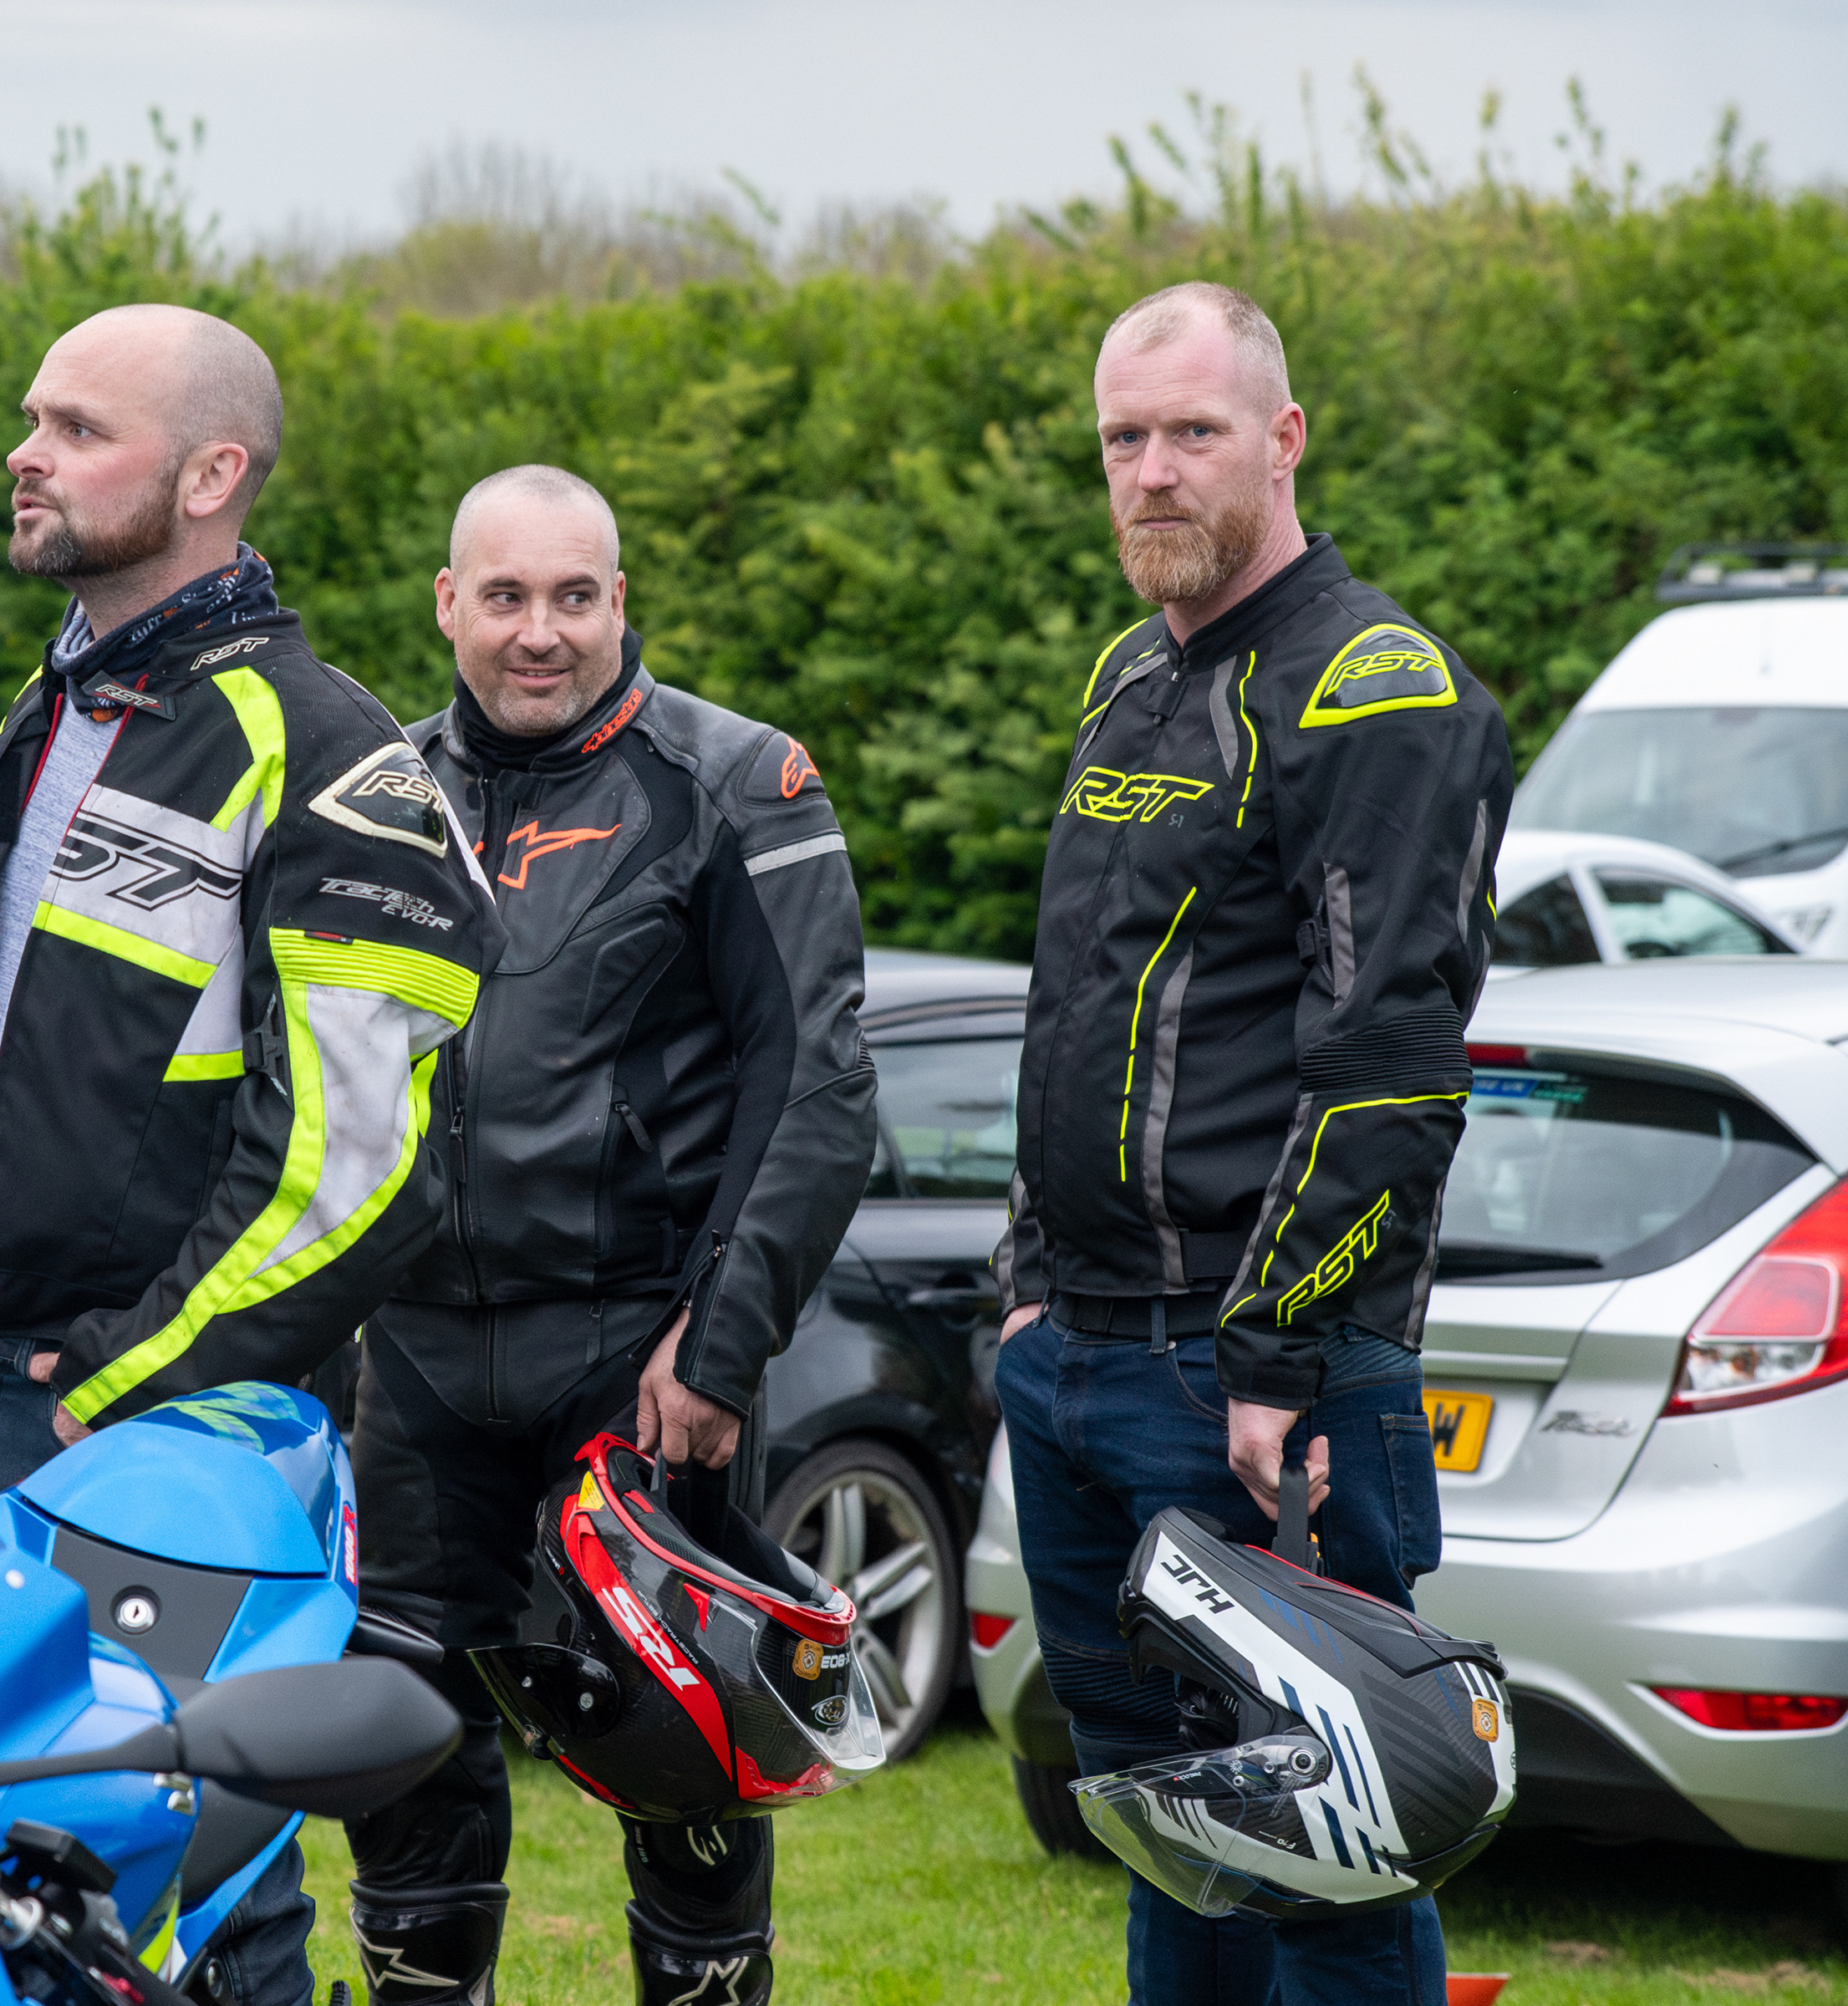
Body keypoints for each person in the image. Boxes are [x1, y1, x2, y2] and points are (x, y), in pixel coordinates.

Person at [0, 303, 498, 2006]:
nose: (26, 454)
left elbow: (361, 1170)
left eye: (78, 428)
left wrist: (123, 1380)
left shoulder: (332, 753)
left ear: (212, 476)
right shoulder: (58, 704)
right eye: (32, 417)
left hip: (150, 1415)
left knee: (192, 1869)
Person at [995, 282, 1512, 2005]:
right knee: (1176, 1834)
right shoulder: (1132, 673)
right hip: (1075, 1364)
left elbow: (1386, 1065)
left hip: (1250, 1381)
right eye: (1123, 438)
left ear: (1283, 439)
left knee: (1329, 1863)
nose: (1152, 472)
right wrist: (1025, 1291)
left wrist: (1277, 1354)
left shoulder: (1375, 686)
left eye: (1193, 433)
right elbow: (1074, 1003)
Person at [341, 466, 878, 2006]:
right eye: (506, 597)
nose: (541, 632)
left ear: (620, 601)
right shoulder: (372, 794)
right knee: (402, 1746)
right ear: (447, 604)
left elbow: (818, 1087)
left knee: (686, 1758)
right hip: (419, 1362)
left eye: (575, 597)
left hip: (639, 1361)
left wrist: (719, 1347)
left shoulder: (740, 781)